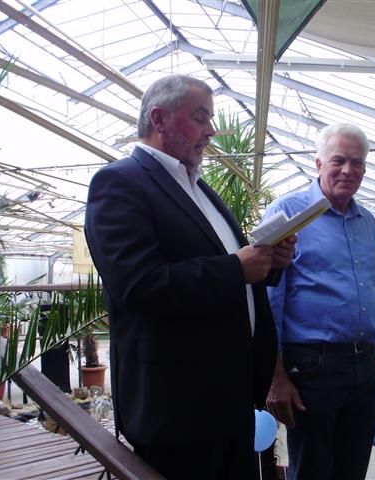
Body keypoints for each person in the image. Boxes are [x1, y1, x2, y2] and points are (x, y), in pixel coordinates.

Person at [84, 75, 296, 479]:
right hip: (178, 411)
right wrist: (236, 268)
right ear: (159, 119)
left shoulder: (198, 188)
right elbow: (138, 284)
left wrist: (268, 263)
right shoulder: (120, 182)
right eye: (200, 118)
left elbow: (224, 269)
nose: (211, 130)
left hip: (227, 401)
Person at [263, 123, 375, 480]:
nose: (348, 170)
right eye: (338, 160)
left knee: (352, 468)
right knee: (314, 469)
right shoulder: (288, 212)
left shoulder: (367, 222)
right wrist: (275, 377)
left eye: (357, 163)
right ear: (318, 164)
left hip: (365, 368)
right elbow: (269, 299)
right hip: (313, 367)